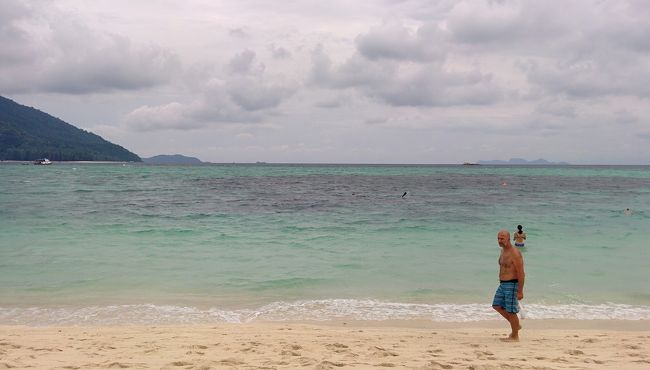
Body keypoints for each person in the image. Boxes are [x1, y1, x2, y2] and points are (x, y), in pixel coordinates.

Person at [492, 230, 525, 342]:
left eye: (502, 239)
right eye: (498, 238)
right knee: (496, 305)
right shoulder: (502, 251)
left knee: (511, 311)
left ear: (508, 239)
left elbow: (521, 272)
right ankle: (515, 325)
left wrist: (520, 291)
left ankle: (515, 336)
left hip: (512, 284)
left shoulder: (515, 253)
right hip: (502, 284)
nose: (500, 241)